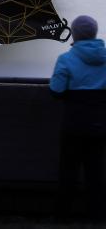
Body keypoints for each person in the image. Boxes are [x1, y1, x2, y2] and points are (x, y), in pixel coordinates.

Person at [50, 15, 106, 221]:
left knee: (68, 169)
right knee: (96, 170)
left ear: (75, 34)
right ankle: (97, 214)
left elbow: (56, 91)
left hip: (73, 122)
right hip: (100, 122)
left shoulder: (66, 59)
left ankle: (62, 215)